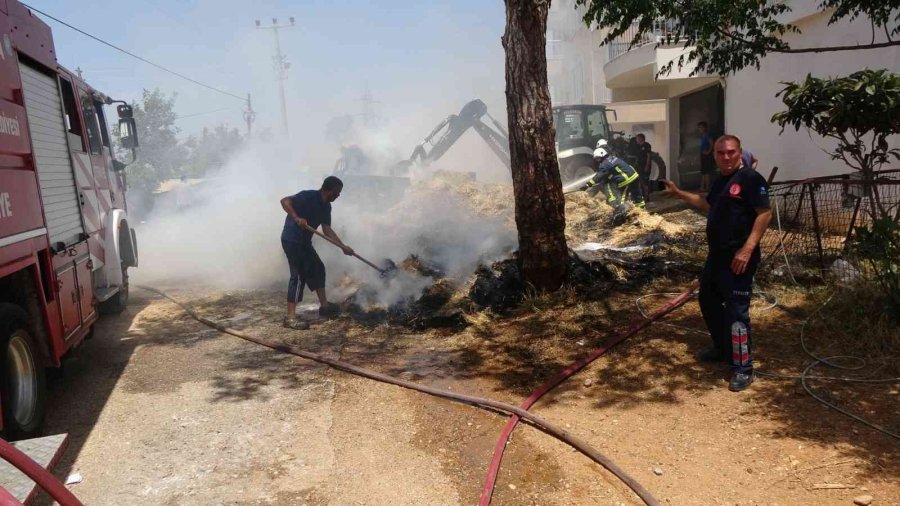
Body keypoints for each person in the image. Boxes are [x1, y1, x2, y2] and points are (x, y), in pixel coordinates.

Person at [663, 134, 772, 391]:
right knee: (708, 300)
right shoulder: (722, 180)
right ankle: (723, 349)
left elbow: (764, 213)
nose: (726, 157)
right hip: (717, 257)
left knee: (736, 311)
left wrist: (746, 249)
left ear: (739, 152)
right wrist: (679, 193)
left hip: (739, 259)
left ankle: (743, 367)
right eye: (721, 153)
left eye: (731, 152)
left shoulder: (750, 179)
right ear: (715, 156)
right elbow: (707, 203)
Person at [280, 176, 355, 330]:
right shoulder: (308, 196)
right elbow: (284, 201)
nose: (338, 195)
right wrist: (296, 217)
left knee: (318, 268)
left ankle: (325, 306)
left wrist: (342, 246)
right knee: (299, 275)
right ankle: (290, 317)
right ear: (329, 190)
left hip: (304, 242)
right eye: (337, 192)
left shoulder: (326, 207)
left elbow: (326, 230)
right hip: (292, 239)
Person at [581, 141, 645, 209]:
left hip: (626, 180)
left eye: (598, 158)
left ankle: (622, 212)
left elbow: (599, 176)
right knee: (637, 196)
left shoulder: (605, 164)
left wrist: (587, 185)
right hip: (634, 176)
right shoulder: (613, 157)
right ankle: (641, 210)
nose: (598, 160)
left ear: (602, 155)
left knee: (621, 198)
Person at [635, 133, 653, 203]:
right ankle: (642, 196)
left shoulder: (646, 145)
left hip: (645, 167)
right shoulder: (638, 146)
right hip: (639, 167)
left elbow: (649, 156)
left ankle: (647, 197)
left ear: (640, 138)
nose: (636, 140)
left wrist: (647, 166)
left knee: (645, 182)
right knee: (641, 182)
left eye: (637, 138)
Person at [698, 122, 715, 192]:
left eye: (701, 127)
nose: (700, 129)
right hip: (703, 155)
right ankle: (702, 187)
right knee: (703, 171)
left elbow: (712, 144)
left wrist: (708, 152)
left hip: (707, 156)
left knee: (706, 172)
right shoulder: (702, 136)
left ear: (705, 127)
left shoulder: (707, 135)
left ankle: (707, 187)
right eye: (699, 128)